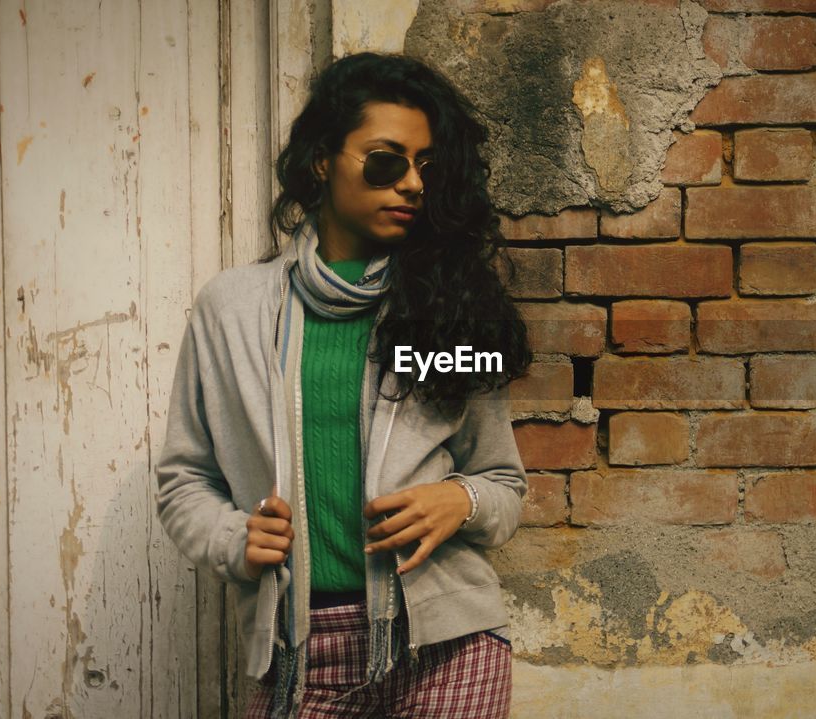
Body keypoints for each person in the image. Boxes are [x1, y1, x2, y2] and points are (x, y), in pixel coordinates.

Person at [154, 51, 533, 718]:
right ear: (323, 161)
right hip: (299, 652)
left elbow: (503, 485)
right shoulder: (231, 311)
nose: (412, 183)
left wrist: (459, 499)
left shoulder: (446, 310)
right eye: (387, 161)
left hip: (445, 645)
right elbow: (185, 479)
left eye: (426, 167)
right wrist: (232, 537)